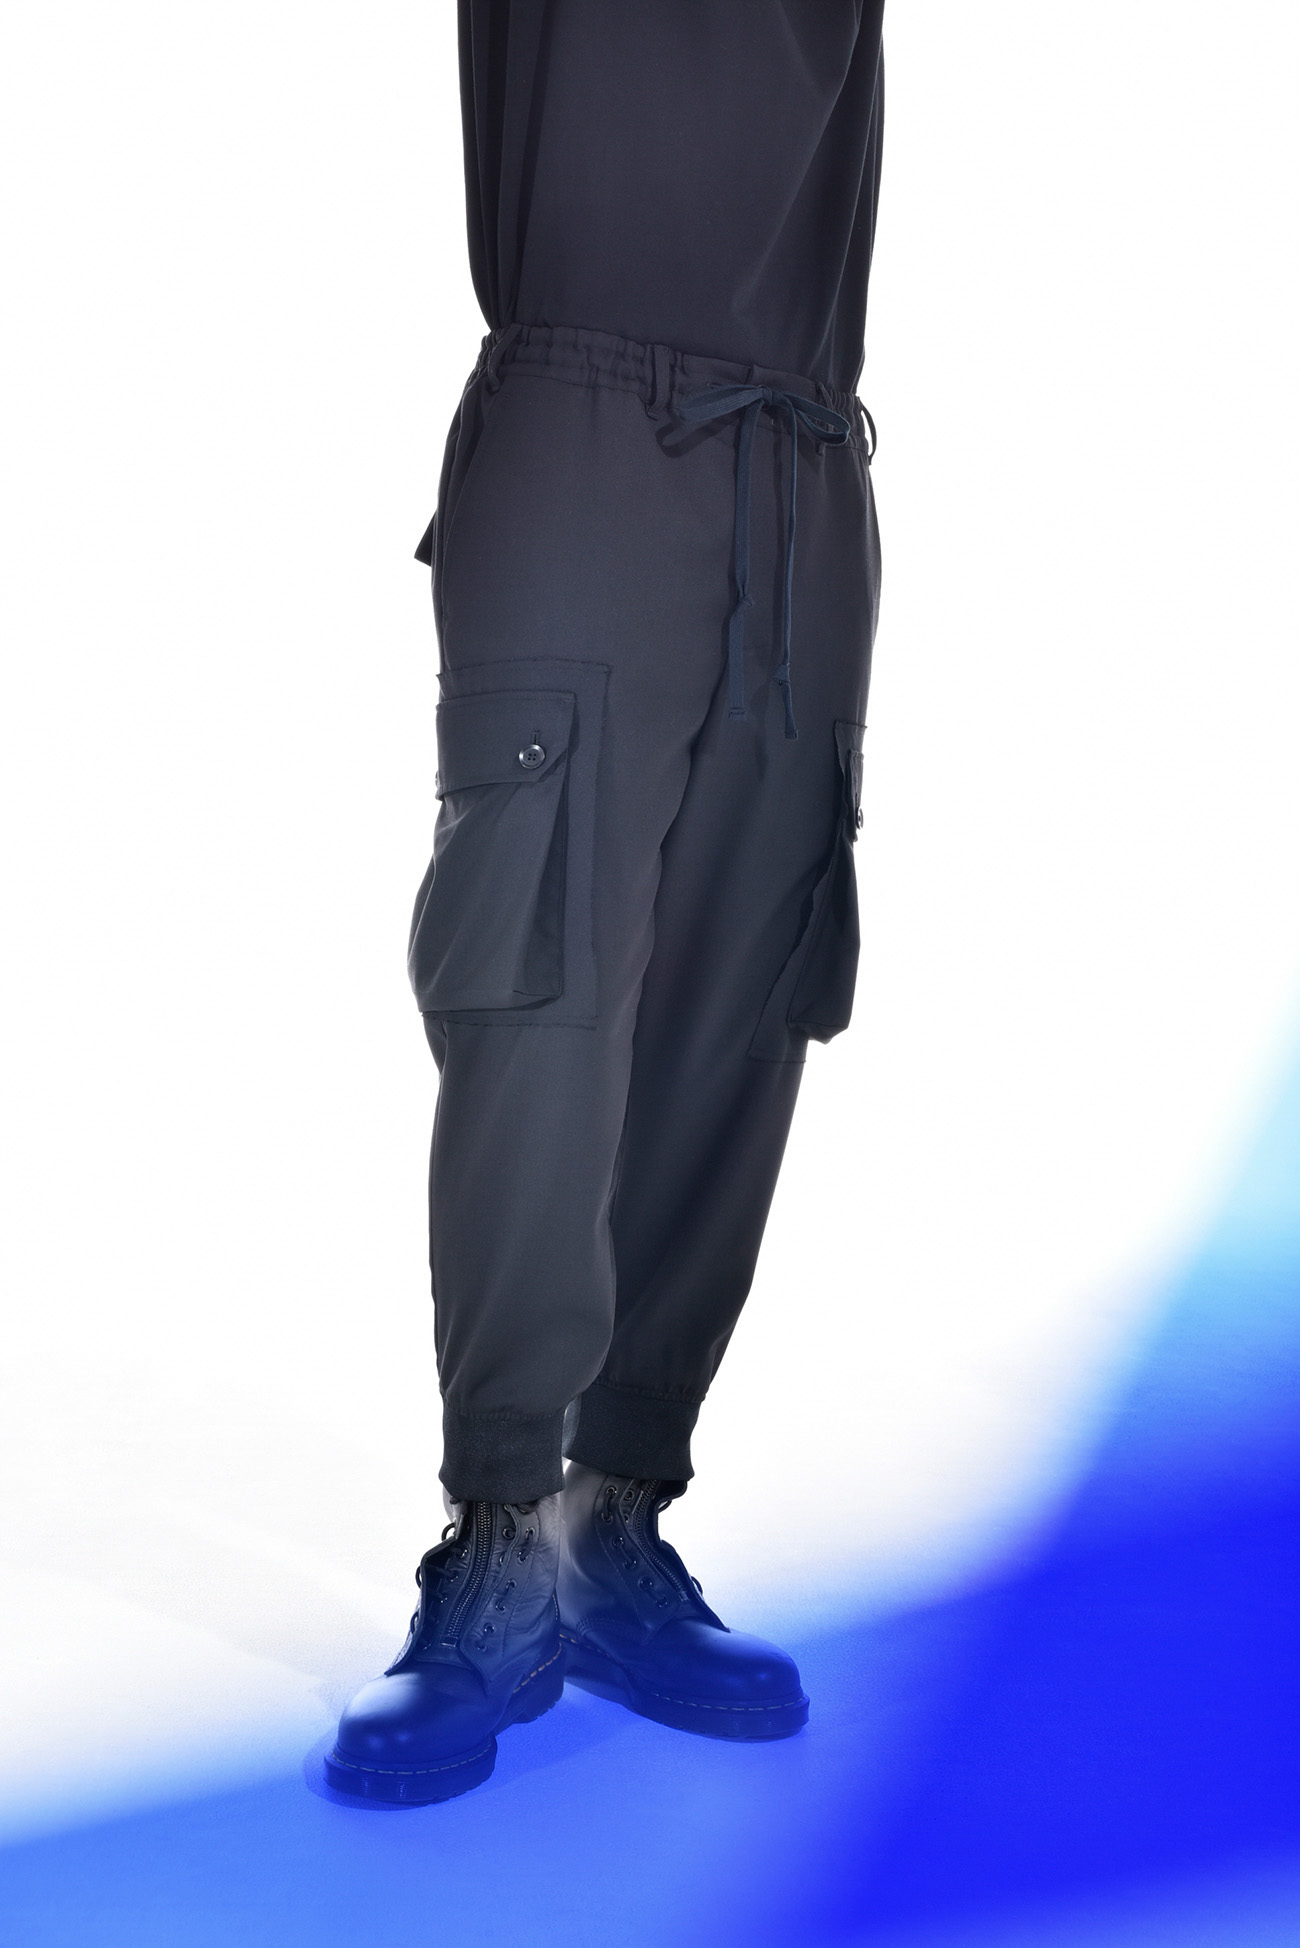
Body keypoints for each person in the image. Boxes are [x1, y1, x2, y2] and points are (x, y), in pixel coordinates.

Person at [327, 0, 887, 1804]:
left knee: (745, 1006)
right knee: (538, 999)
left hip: (804, 464)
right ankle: (497, 1535)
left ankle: (613, 1517)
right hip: (579, 428)